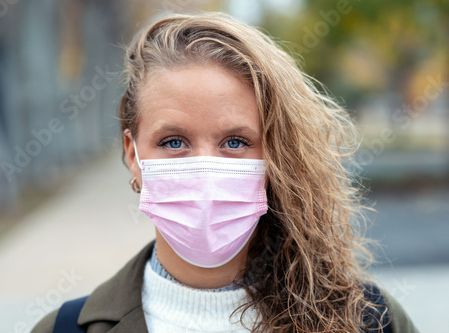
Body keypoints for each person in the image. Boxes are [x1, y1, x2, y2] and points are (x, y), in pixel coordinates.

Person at [32, 12, 419, 333]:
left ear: (275, 157)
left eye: (235, 142)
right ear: (133, 154)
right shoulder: (63, 329)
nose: (205, 170)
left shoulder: (371, 321)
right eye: (173, 142)